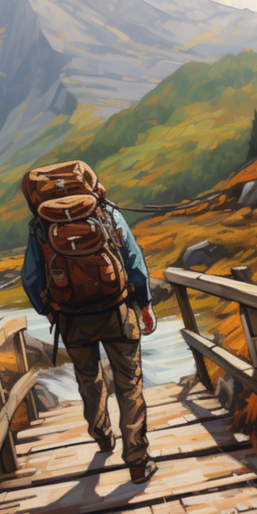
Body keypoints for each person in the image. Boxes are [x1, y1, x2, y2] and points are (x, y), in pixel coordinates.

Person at [20, 163, 158, 483]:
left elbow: (30, 276)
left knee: (88, 380)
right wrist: (145, 303)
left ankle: (101, 434)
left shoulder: (41, 224)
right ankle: (137, 459)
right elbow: (132, 257)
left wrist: (49, 310)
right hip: (117, 309)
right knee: (130, 384)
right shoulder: (105, 212)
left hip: (71, 317)